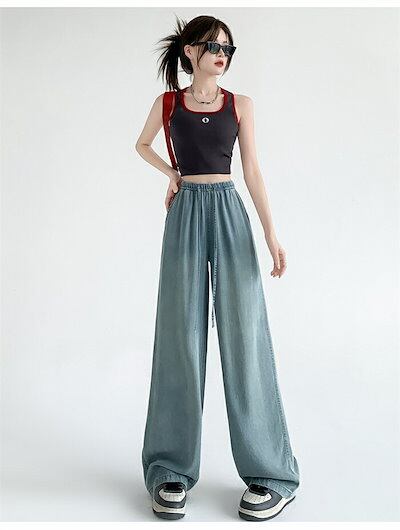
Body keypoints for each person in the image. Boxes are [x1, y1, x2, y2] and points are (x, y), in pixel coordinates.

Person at [135, 14, 300, 521]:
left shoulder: (240, 104)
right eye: (212, 45)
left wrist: (270, 233)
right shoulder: (168, 104)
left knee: (244, 336)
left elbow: (252, 170)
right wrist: (172, 174)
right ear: (190, 51)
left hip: (229, 211)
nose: (221, 53)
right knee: (179, 338)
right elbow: (141, 145)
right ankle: (170, 469)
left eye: (227, 47)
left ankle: (271, 473)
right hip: (185, 213)